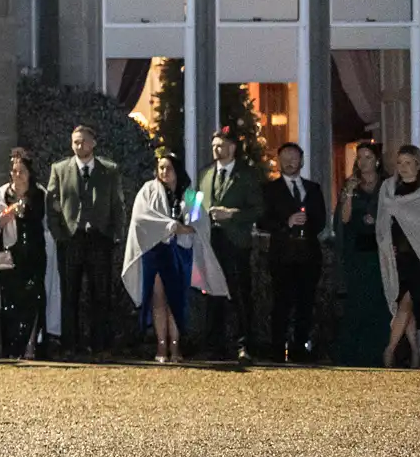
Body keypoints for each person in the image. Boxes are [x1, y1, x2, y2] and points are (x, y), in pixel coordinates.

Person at [122, 152, 213, 363]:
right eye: (160, 168)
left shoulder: (190, 195)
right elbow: (142, 218)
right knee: (159, 298)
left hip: (180, 253)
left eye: (168, 168)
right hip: (156, 251)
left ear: (178, 170)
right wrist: (171, 227)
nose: (163, 172)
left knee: (177, 300)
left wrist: (187, 228)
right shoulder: (148, 190)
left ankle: (176, 344)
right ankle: (161, 344)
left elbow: (199, 222)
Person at [44, 125, 124, 358]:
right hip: (71, 239)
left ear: (93, 143)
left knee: (100, 294)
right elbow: (52, 206)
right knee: (70, 294)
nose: (79, 146)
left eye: (83, 141)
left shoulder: (109, 170)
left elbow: (118, 206)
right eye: (75, 142)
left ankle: (100, 346)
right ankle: (70, 345)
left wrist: (114, 234)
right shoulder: (59, 170)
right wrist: (60, 235)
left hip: (99, 239)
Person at [0, 148, 53, 360]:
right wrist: (9, 212)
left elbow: (43, 220)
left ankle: (31, 344)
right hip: (11, 255)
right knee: (10, 301)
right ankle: (11, 347)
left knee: (33, 299)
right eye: (14, 171)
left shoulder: (39, 194)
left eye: (21, 171)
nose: (17, 175)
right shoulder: (3, 194)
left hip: (33, 253)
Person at [195, 130, 262, 361]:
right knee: (213, 292)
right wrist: (191, 217)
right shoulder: (205, 174)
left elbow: (258, 209)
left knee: (240, 293)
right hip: (212, 242)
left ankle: (244, 344)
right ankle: (215, 344)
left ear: (232, 148)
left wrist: (232, 214)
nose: (216, 149)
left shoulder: (247, 175)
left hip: (236, 242)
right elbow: (197, 204)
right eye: (214, 145)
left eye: (220, 145)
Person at [259, 142, 327, 363]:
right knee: (281, 303)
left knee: (306, 303)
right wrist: (285, 223)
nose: (290, 162)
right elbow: (262, 220)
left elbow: (321, 220)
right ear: (278, 162)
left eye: (294, 157)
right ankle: (278, 348)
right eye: (285, 157)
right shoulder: (269, 189)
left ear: (302, 161)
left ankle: (301, 347)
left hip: (308, 254)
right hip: (282, 256)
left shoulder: (313, 188)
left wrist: (307, 224)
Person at [333, 143, 389, 367]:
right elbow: (344, 219)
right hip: (357, 252)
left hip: (380, 252)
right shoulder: (351, 184)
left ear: (376, 160)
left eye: (368, 157)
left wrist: (378, 221)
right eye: (360, 158)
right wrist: (347, 194)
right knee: (357, 302)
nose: (363, 162)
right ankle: (353, 354)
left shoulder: (386, 185)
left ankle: (377, 352)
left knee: (378, 301)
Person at [377, 144, 420, 368]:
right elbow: (383, 222)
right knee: (405, 303)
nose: (403, 168)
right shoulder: (389, 188)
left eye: (408, 162)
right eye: (400, 163)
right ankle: (415, 351)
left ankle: (390, 350)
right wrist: (387, 245)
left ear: (418, 163)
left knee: (408, 302)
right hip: (398, 256)